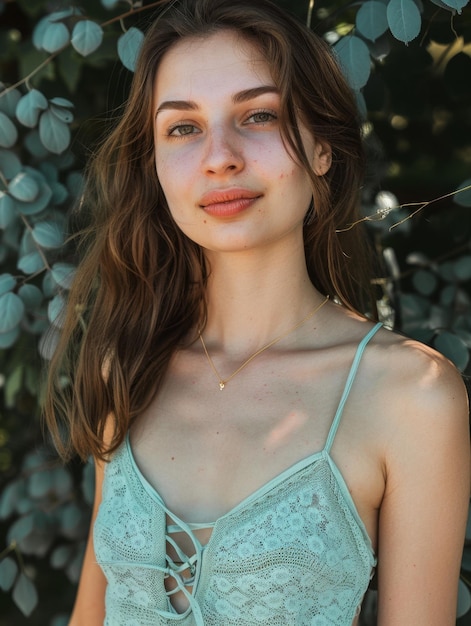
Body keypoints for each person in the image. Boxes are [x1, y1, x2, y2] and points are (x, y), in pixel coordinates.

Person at [44, 0, 470, 624]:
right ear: (157, 166)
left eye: (259, 115)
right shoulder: (129, 365)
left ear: (323, 148)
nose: (220, 156)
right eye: (183, 128)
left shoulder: (410, 395)